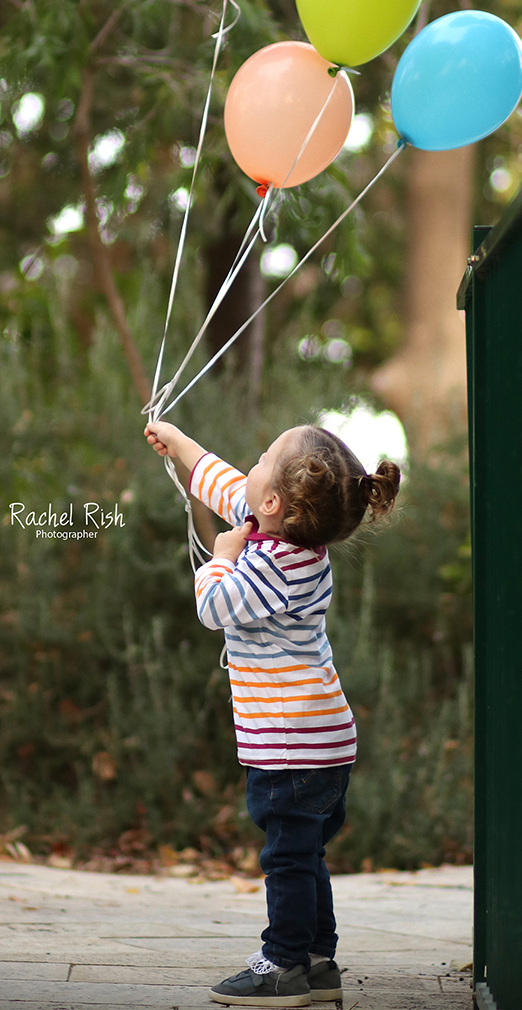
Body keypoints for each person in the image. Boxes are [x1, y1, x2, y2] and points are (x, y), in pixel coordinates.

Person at [144, 419, 400, 1008]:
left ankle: (282, 965)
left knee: (286, 854)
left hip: (293, 745)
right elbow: (225, 485)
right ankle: (317, 958)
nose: (251, 463)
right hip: (320, 741)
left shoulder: (275, 565)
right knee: (305, 850)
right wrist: (182, 444)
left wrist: (220, 555)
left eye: (262, 457)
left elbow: (215, 607)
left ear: (275, 502)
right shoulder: (280, 530)